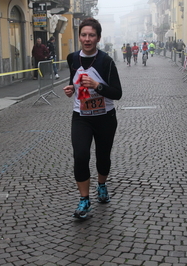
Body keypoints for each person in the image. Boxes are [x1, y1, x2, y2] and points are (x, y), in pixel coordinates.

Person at [62, 17, 122, 219]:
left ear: (98, 38)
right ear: (79, 37)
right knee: (80, 156)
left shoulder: (106, 61)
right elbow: (74, 81)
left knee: (103, 157)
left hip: (105, 117)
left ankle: (102, 185)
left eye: (92, 35)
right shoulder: (72, 58)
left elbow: (117, 93)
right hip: (81, 117)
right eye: (84, 35)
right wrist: (71, 89)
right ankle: (84, 200)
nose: (87, 39)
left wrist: (97, 86)